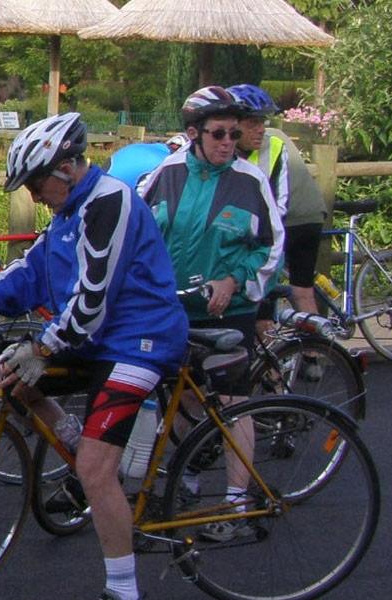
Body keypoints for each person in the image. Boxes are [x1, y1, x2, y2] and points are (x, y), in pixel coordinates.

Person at [0, 112, 186, 600]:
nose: (31, 195)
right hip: (98, 342)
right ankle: (78, 445)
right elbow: (28, 270)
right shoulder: (69, 213)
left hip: (142, 339)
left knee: (94, 469)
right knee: (5, 380)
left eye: (35, 183)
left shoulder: (109, 200)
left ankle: (122, 588)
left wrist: (44, 345)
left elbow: (94, 296)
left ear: (67, 168)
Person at [138, 86, 280, 546]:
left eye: (235, 134)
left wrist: (234, 281)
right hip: (176, 309)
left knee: (233, 402)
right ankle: (187, 487)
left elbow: (270, 248)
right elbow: (137, 232)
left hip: (228, 312)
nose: (228, 142)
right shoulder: (166, 174)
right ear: (193, 134)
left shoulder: (249, 181)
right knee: (183, 402)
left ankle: (238, 502)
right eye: (218, 133)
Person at [229, 83, 328, 319]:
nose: (260, 130)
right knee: (302, 291)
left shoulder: (264, 148)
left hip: (285, 222)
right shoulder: (275, 139)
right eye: (253, 124)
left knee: (261, 296)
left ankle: (267, 347)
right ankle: (316, 352)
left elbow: (272, 208)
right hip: (312, 216)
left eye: (261, 123)